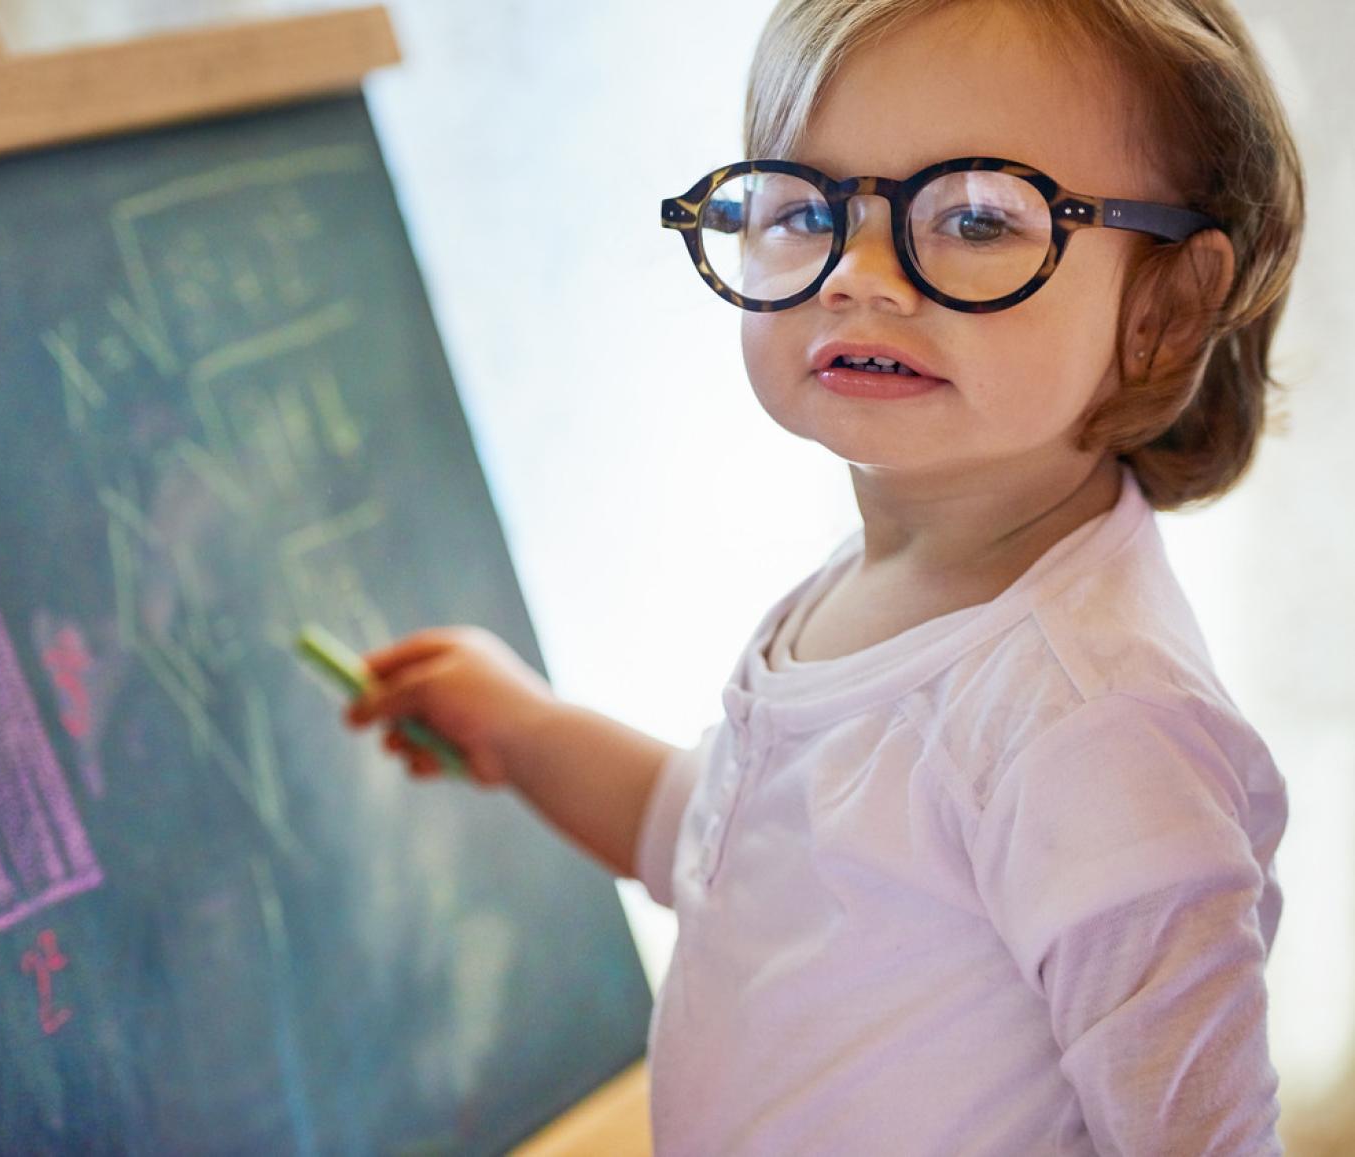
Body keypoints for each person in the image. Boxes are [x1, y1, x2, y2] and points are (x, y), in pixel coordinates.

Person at [343, 0, 1305, 1150]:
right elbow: (741, 871)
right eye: (802, 207)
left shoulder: (1094, 720)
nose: (857, 272)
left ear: (1167, 303)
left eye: (974, 216)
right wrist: (525, 731)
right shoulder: (891, 576)